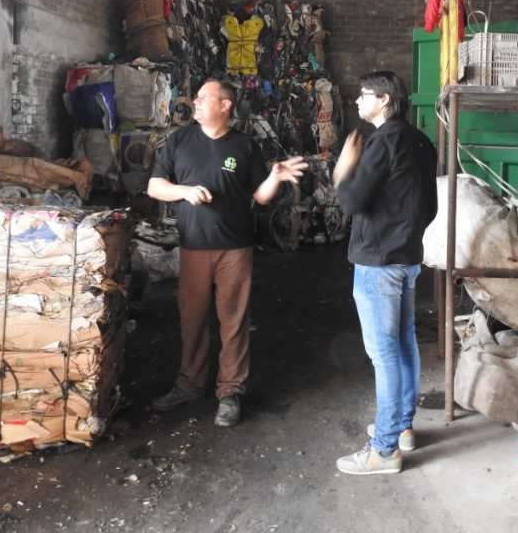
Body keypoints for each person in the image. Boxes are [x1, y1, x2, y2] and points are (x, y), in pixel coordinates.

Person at [147, 78, 307, 427]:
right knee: (192, 321)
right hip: (193, 248)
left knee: (233, 322)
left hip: (234, 249)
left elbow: (260, 196)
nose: (196, 102)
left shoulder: (244, 145)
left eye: (204, 97)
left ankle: (230, 392)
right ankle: (189, 386)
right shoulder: (179, 141)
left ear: (225, 105)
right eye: (197, 97)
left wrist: (275, 177)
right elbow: (155, 186)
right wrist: (184, 191)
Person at [332, 71, 438, 475]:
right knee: (404, 342)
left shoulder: (383, 140)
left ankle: (385, 449)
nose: (358, 101)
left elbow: (351, 200)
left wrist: (343, 170)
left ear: (384, 100)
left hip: (378, 262)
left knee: (385, 352)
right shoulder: (420, 140)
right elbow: (429, 207)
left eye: (364, 95)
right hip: (408, 258)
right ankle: (402, 427)